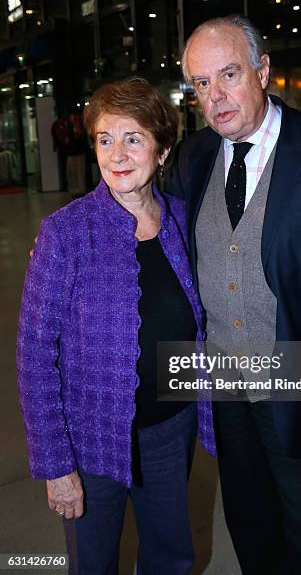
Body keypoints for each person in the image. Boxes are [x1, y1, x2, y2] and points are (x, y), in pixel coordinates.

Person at [165, 15, 301, 574]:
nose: (215, 97)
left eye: (229, 74)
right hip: (228, 389)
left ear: (263, 70)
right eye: (200, 84)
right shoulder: (192, 160)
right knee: (252, 526)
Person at [17, 76, 216, 575]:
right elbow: (35, 354)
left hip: (170, 432)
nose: (117, 154)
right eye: (106, 139)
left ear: (163, 149)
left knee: (171, 557)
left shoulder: (183, 222)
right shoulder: (65, 233)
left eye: (134, 138)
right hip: (90, 439)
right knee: (94, 563)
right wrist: (56, 465)